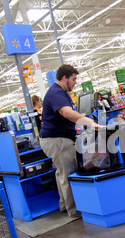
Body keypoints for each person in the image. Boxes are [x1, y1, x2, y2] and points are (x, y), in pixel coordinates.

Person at [39, 64, 105, 218]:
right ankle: (75, 211)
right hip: (57, 140)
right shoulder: (56, 92)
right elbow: (66, 112)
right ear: (64, 78)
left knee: (61, 172)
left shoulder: (62, 92)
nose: (75, 82)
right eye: (74, 79)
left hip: (56, 138)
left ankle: (64, 205)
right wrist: (90, 122)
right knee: (69, 174)